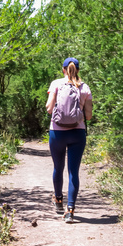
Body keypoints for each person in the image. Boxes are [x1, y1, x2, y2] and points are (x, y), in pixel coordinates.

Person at [45, 57, 93, 223]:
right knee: (74, 172)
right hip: (77, 133)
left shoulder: (56, 84)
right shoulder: (85, 87)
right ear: (78, 70)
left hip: (57, 133)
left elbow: (49, 108)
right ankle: (70, 210)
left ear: (63, 69)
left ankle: (58, 199)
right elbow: (88, 115)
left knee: (58, 167)